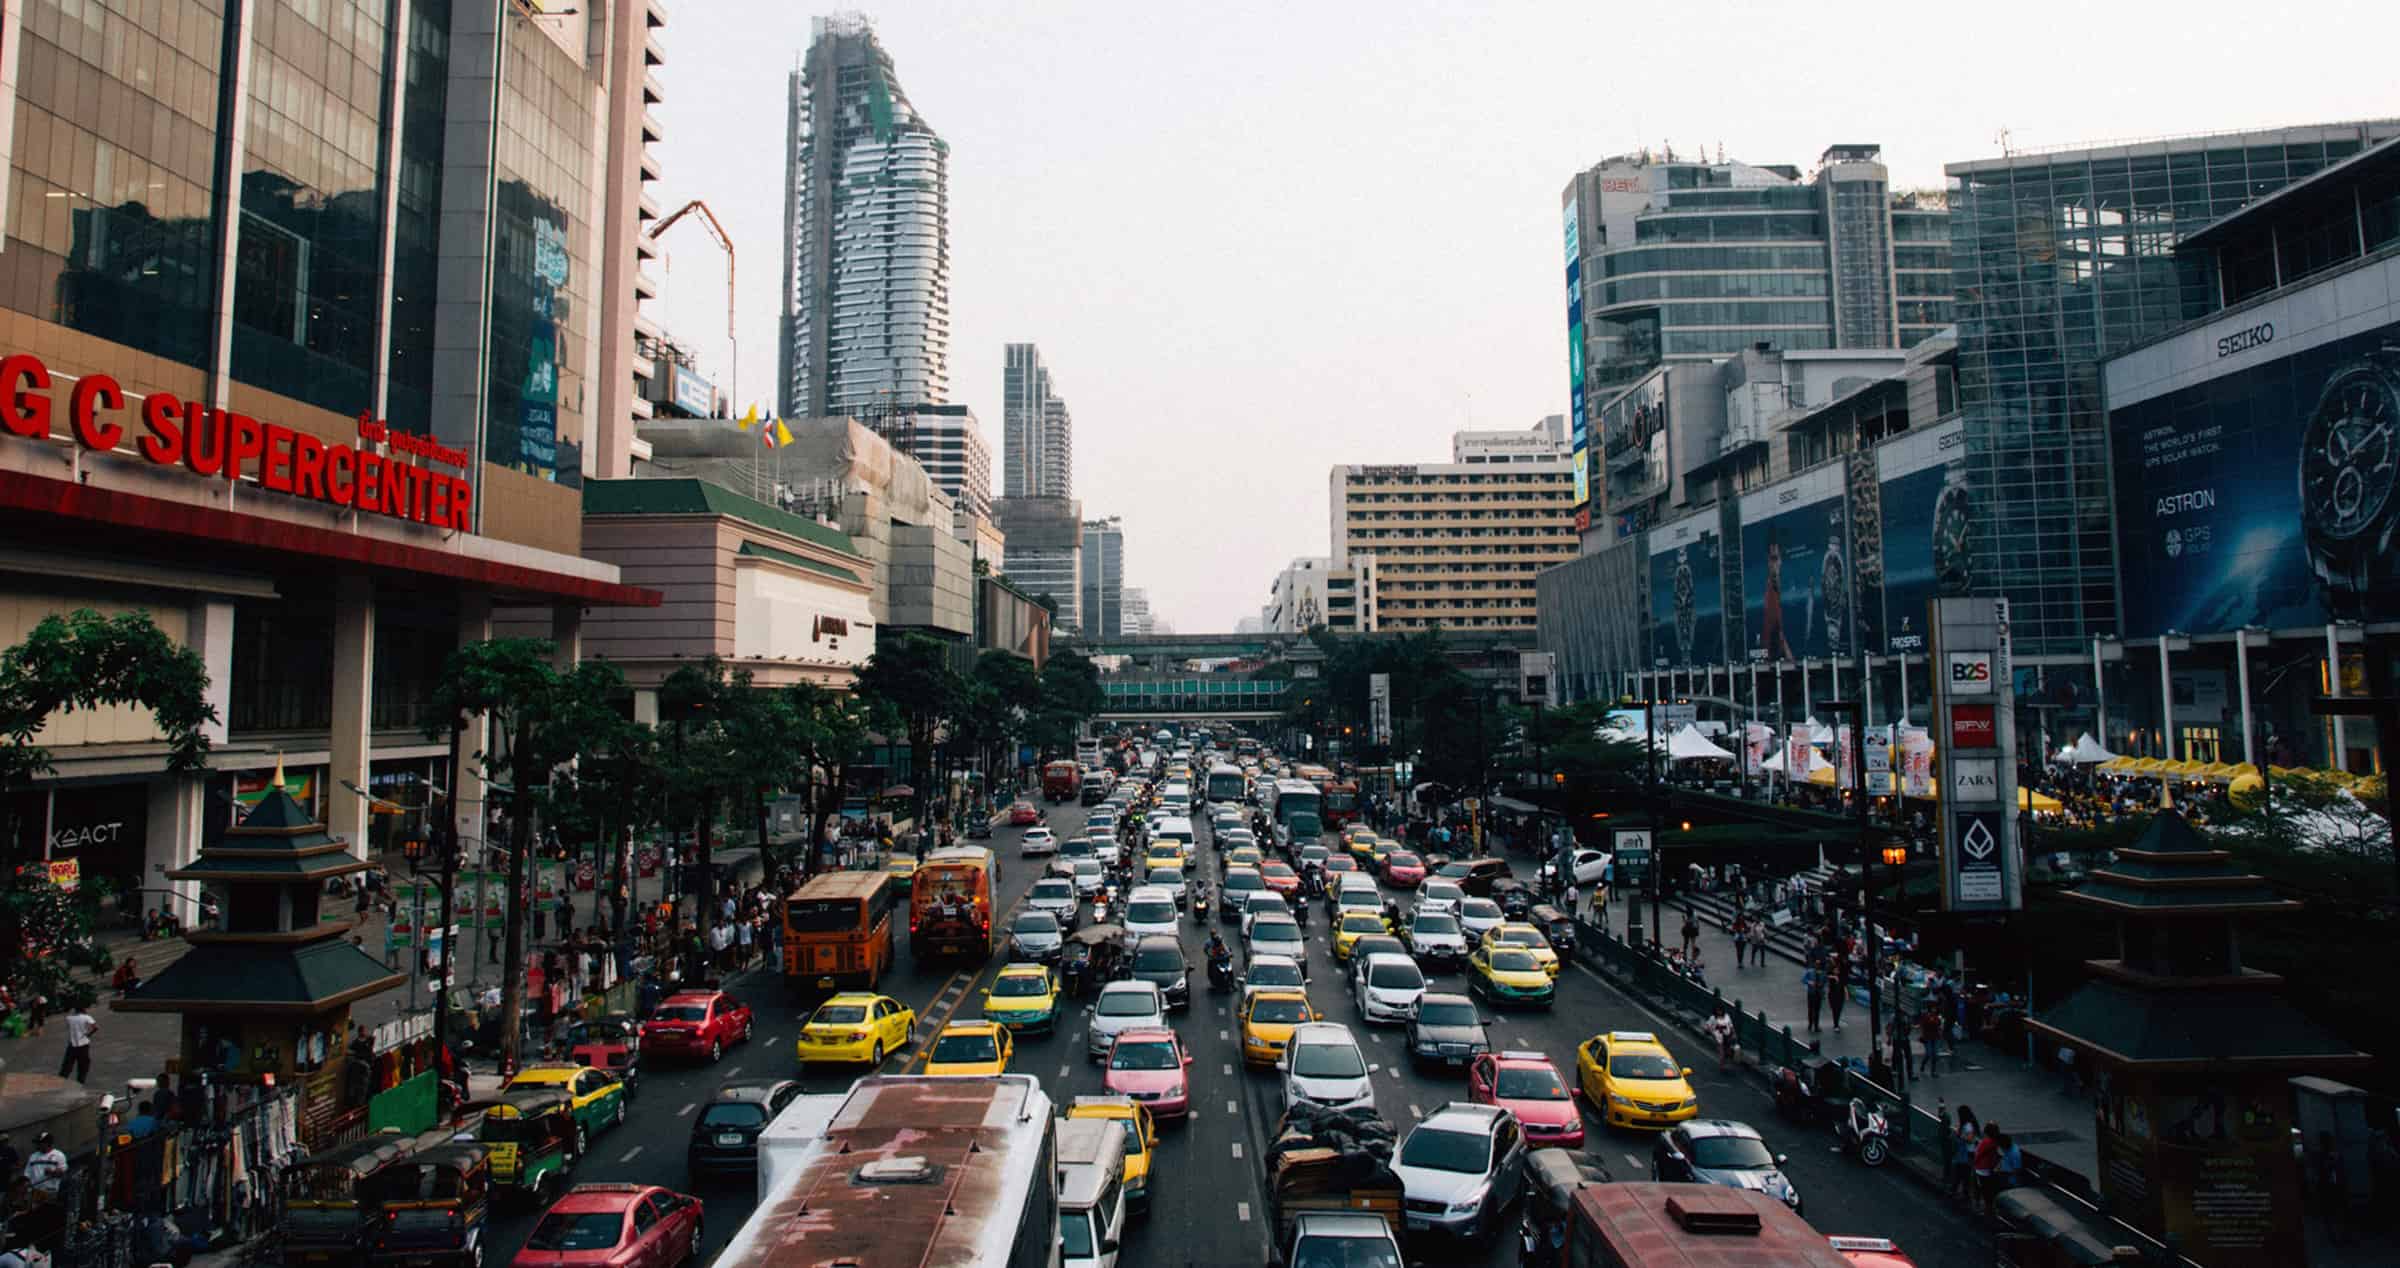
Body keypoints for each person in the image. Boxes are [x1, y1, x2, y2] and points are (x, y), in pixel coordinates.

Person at [57, 1000, 97, 1083]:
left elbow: (68, 1027)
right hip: (83, 1044)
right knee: (83, 1065)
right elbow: (95, 1027)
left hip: (72, 1044)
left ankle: (61, 1080)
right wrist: (88, 1034)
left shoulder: (69, 1018)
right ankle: (80, 1081)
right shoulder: (87, 1017)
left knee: (67, 1065)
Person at [1946, 1105, 1980, 1200]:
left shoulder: (1968, 1126)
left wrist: (1959, 1136)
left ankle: (1960, 1193)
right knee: (1962, 1173)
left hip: (1967, 1154)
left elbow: (1969, 1139)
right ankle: (1960, 1192)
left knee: (1963, 1173)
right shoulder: (1967, 1125)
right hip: (1965, 1153)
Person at [1803, 965, 1824, 1034]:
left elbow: (1825, 982)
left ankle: (1816, 1026)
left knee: (1817, 1010)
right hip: (1811, 993)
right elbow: (1803, 979)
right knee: (1811, 1009)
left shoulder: (1823, 974)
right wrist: (1809, 982)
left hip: (1819, 993)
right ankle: (1810, 1024)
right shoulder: (1810, 972)